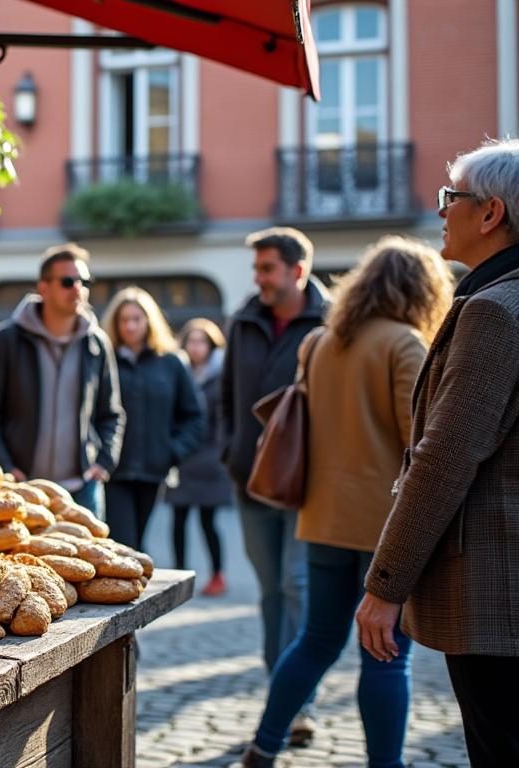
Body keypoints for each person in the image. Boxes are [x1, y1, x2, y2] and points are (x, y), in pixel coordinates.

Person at [241, 236, 454, 768]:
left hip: (322, 516)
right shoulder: (405, 343)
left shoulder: (318, 342)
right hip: (386, 525)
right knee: (386, 657)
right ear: (420, 290)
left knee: (315, 640)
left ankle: (264, 745)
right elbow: (419, 444)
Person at [356, 139, 519, 766]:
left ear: (491, 214)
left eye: (452, 197)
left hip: (494, 596)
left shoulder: (494, 311)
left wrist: (385, 585)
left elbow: (444, 457)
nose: (441, 209)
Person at [220, 226, 329, 744]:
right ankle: (278, 692)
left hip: (310, 484)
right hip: (250, 482)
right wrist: (230, 452)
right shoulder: (243, 321)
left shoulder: (332, 321)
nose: (258, 278)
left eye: (267, 268)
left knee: (296, 587)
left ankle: (299, 704)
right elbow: (225, 397)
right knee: (268, 594)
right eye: (257, 268)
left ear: (297, 271)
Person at [0, 243, 124, 517]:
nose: (78, 288)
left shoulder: (97, 343)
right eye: (68, 281)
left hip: (83, 490)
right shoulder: (5, 340)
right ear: (44, 288)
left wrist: (104, 462)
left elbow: (111, 412)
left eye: (83, 281)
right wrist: (5, 467)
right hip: (20, 488)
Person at [100, 287, 204, 551]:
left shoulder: (171, 362)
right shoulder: (104, 358)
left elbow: (194, 416)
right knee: (124, 544)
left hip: (153, 471)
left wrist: (171, 452)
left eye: (137, 319)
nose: (130, 326)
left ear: (149, 321)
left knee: (137, 543)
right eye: (124, 320)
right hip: (113, 471)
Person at [164, 318, 232, 596]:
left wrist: (220, 453)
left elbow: (225, 418)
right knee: (178, 519)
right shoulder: (178, 371)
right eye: (191, 340)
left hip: (211, 460)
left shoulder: (221, 374)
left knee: (208, 520)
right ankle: (180, 574)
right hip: (182, 458)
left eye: (201, 341)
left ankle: (217, 574)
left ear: (211, 344)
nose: (195, 346)